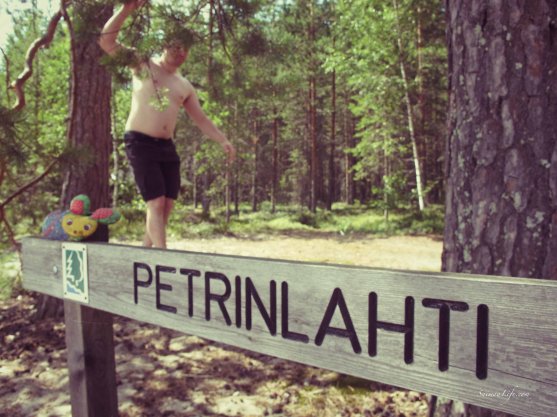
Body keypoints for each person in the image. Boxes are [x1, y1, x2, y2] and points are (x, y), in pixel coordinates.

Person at [99, 0, 236, 249]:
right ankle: (163, 257)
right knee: (156, 202)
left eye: (185, 49)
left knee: (168, 204)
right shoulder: (142, 64)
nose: (181, 52)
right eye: (176, 46)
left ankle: (146, 251)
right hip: (139, 141)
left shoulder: (184, 85)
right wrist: (127, 9)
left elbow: (201, 119)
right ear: (164, 45)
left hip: (166, 147)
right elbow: (106, 42)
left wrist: (223, 140)